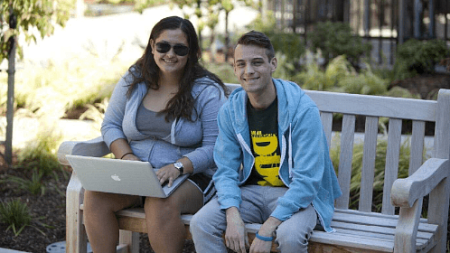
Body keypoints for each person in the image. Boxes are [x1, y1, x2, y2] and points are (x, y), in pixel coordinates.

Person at [83, 16, 227, 253]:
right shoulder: (134, 78)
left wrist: (178, 166)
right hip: (138, 173)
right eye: (163, 46)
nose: (170, 54)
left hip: (191, 175)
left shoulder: (206, 90)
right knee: (95, 196)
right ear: (152, 46)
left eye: (180, 49)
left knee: (160, 201)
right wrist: (127, 158)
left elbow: (216, 147)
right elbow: (110, 125)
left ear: (191, 53)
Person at [190, 30, 342, 253]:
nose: (248, 70)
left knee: (289, 236)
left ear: (273, 64)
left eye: (257, 62)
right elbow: (226, 171)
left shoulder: (302, 110)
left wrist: (267, 228)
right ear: (234, 69)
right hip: (250, 193)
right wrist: (232, 215)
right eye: (241, 64)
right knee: (201, 223)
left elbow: (308, 181)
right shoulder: (231, 111)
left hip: (297, 194)